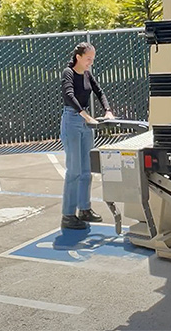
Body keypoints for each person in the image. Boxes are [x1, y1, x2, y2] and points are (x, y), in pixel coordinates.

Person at [59, 42, 115, 230]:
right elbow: (68, 95)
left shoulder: (87, 73)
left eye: (93, 59)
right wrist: (84, 114)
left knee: (85, 170)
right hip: (73, 121)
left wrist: (107, 110)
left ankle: (84, 209)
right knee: (73, 170)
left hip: (86, 123)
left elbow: (99, 91)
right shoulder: (69, 73)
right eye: (88, 59)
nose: (91, 62)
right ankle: (68, 215)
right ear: (79, 57)